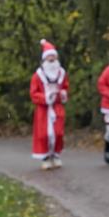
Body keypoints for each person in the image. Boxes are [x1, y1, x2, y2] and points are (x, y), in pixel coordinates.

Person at [30, 39, 68, 170]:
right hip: (43, 109)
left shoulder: (62, 73)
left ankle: (56, 155)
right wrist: (45, 97)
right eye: (49, 57)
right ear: (45, 59)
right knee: (44, 134)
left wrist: (63, 93)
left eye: (53, 56)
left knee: (58, 133)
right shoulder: (37, 76)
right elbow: (33, 94)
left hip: (57, 107)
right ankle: (45, 157)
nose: (52, 59)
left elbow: (66, 87)